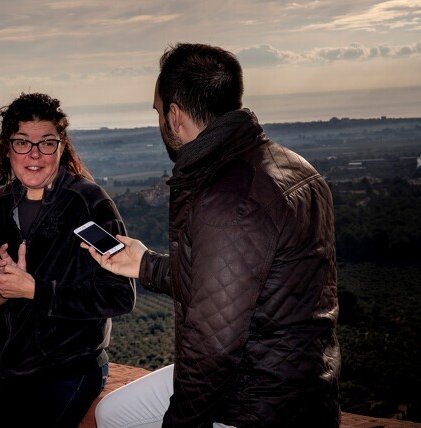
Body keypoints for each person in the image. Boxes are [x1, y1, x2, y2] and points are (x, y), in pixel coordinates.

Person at [83, 43, 340, 427]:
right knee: (112, 412)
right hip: (293, 378)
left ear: (174, 115)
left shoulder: (229, 198)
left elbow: (213, 350)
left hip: (257, 399)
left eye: (157, 111)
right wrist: (145, 264)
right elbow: (230, 281)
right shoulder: (294, 166)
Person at [0, 92, 136, 428]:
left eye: (46, 143)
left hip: (66, 369)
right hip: (2, 371)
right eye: (22, 143)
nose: (34, 154)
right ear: (6, 147)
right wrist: (0, 289)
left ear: (61, 146)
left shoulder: (89, 206)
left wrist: (36, 290)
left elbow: (119, 294)